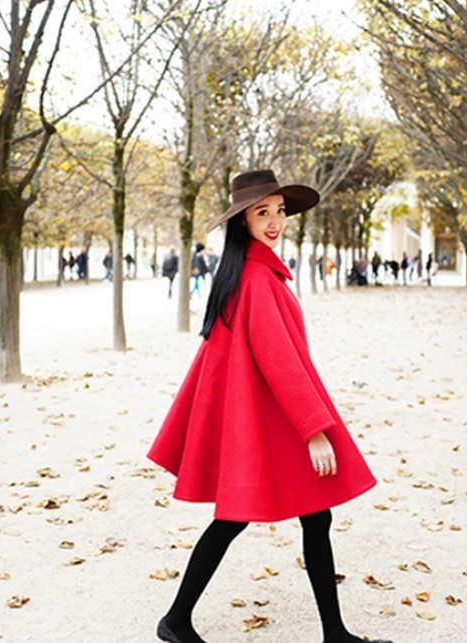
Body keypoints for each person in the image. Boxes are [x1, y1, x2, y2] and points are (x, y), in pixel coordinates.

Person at [148, 169, 390, 643]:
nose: (275, 221)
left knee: (310, 516)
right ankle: (175, 621)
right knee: (236, 519)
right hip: (275, 418)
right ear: (243, 221)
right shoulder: (257, 278)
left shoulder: (252, 273)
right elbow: (279, 361)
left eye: (279, 211)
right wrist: (314, 429)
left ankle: (333, 634)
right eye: (263, 213)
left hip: (268, 415)